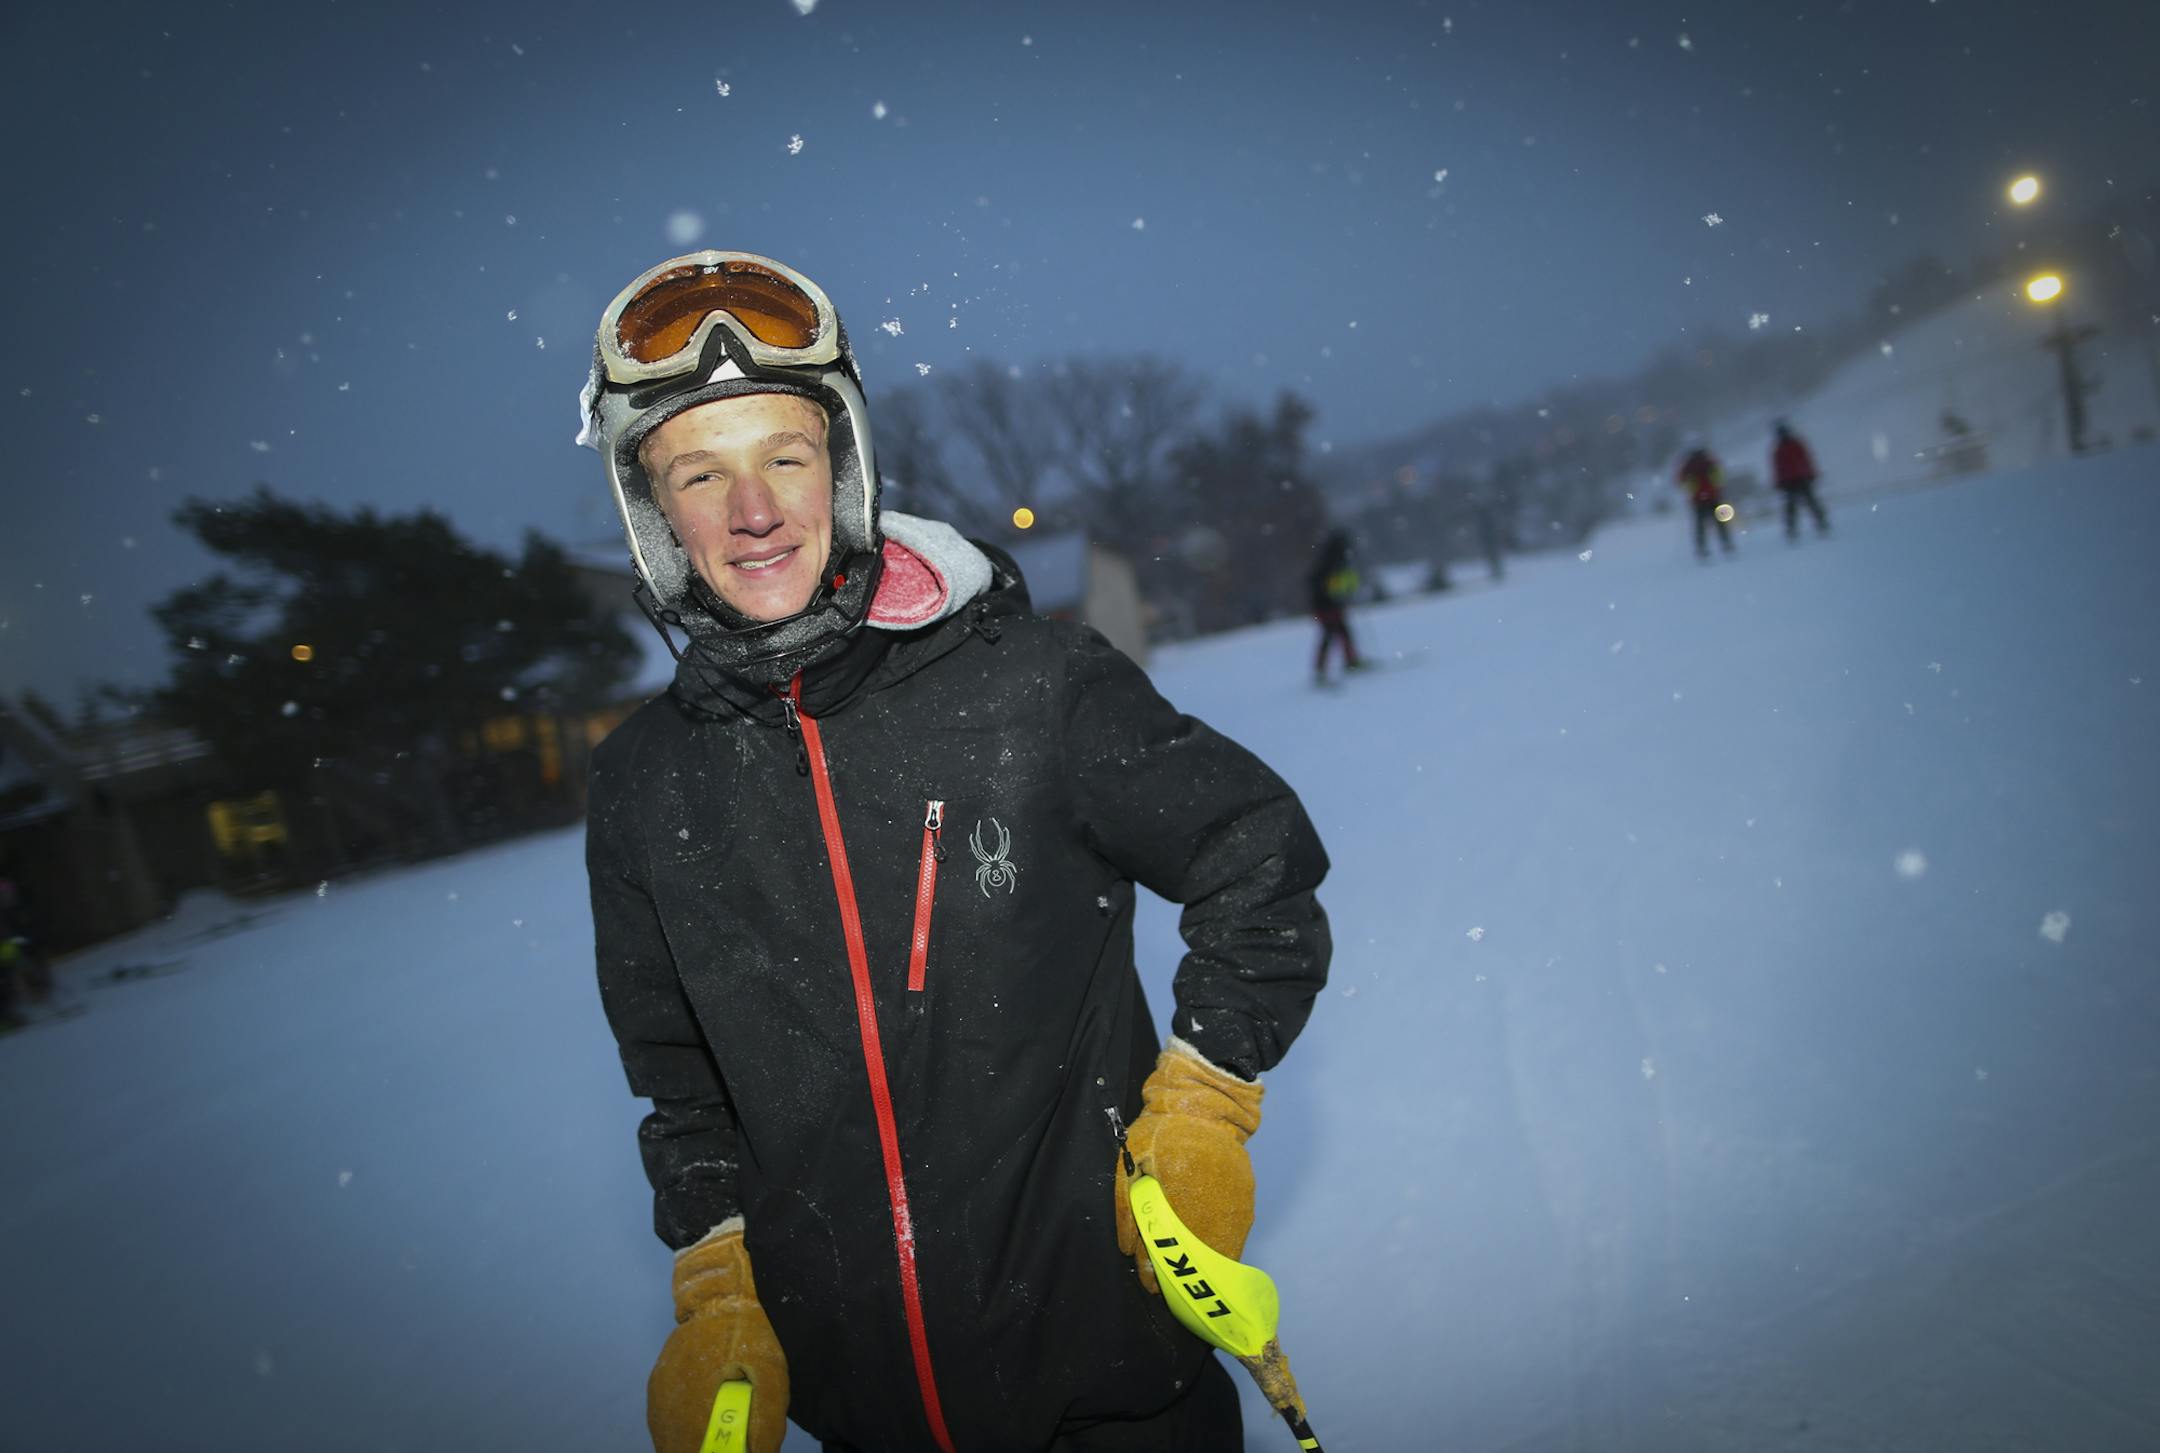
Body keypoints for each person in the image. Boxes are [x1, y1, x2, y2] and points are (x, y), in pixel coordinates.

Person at [576, 252, 1332, 1453]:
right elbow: (682, 1083)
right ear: (654, 516)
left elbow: (1258, 854)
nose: (752, 509)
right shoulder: (642, 784)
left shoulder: (1034, 686)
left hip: (1117, 1387)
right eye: (698, 473)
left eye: (786, 455)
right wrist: (717, 1277)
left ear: (846, 467)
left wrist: (1205, 1094)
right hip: (863, 1412)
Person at [1307, 528, 1366, 685]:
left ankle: (1340, 663)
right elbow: (1330, 584)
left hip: (1325, 605)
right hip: (1327, 606)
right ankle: (1331, 667)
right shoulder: (1333, 562)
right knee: (1333, 633)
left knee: (1337, 632)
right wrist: (1338, 593)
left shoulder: (1328, 560)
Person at [1770, 421, 1831, 540]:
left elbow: (1805, 460)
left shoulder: (1790, 446)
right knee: (1798, 506)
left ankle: (1818, 524)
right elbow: (1779, 468)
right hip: (1793, 480)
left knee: (1807, 504)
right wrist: (1779, 482)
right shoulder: (1783, 449)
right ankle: (1794, 529)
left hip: (1798, 479)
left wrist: (1810, 474)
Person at [1675, 440, 1735, 559]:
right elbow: (1720, 475)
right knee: (1720, 523)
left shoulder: (1688, 465)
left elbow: (1680, 480)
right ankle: (1726, 544)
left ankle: (1702, 549)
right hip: (1713, 496)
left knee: (1700, 526)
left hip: (1698, 500)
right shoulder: (1708, 461)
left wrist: (1691, 489)